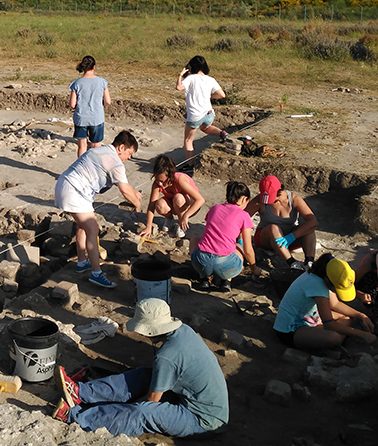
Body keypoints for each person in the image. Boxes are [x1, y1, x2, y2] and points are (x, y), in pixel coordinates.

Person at [52, 298, 228, 438]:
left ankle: (77, 417)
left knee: (143, 412)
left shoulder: (167, 357)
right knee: (143, 375)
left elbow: (152, 400)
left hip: (204, 421)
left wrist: (126, 406)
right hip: (191, 398)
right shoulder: (183, 331)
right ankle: (79, 392)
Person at [54, 130, 142, 288]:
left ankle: (82, 263)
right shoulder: (114, 161)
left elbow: (126, 187)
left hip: (66, 184)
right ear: (121, 147)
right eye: (129, 153)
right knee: (93, 229)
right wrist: (137, 204)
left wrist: (134, 193)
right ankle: (96, 273)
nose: (129, 158)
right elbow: (125, 191)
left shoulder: (100, 150)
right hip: (75, 190)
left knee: (83, 226)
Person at [273, 253, 377, 350]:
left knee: (345, 319)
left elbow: (335, 304)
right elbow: (329, 324)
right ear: (329, 281)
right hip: (290, 330)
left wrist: (361, 315)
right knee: (334, 338)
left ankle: (324, 337)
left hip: (309, 317)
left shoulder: (321, 275)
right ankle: (324, 341)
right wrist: (362, 334)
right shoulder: (317, 285)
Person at [191, 181, 262, 291]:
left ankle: (204, 279)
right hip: (226, 266)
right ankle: (226, 281)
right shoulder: (244, 215)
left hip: (201, 262)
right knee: (238, 247)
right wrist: (254, 267)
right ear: (244, 199)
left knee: (195, 238)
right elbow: (248, 249)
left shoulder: (214, 209)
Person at [245, 175, 319, 270]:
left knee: (309, 229)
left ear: (279, 191)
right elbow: (242, 218)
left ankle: (309, 262)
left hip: (288, 238)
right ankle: (291, 262)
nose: (268, 201)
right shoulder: (259, 201)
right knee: (273, 228)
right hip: (266, 238)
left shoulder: (294, 199)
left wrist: (292, 236)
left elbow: (313, 222)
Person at [139, 154, 205, 239]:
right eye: (157, 180)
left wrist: (186, 216)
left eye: (162, 181)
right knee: (160, 205)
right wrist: (148, 226)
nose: (159, 184)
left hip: (190, 206)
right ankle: (170, 220)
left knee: (178, 198)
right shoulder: (157, 184)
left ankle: (181, 224)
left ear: (170, 176)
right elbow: (151, 205)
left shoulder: (180, 180)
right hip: (174, 205)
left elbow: (200, 200)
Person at [177, 55, 228, 163]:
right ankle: (221, 133)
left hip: (195, 115)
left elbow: (179, 87)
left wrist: (180, 75)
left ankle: (190, 164)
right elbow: (222, 95)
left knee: (188, 140)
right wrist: (211, 96)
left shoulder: (191, 78)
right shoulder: (211, 79)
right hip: (209, 113)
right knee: (205, 128)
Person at [68, 55, 111, 158]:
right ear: (94, 67)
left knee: (82, 146)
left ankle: (81, 169)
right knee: (96, 146)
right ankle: (94, 169)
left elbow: (72, 104)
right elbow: (108, 101)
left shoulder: (76, 83)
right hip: (97, 117)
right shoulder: (102, 82)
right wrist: (100, 106)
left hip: (81, 118)